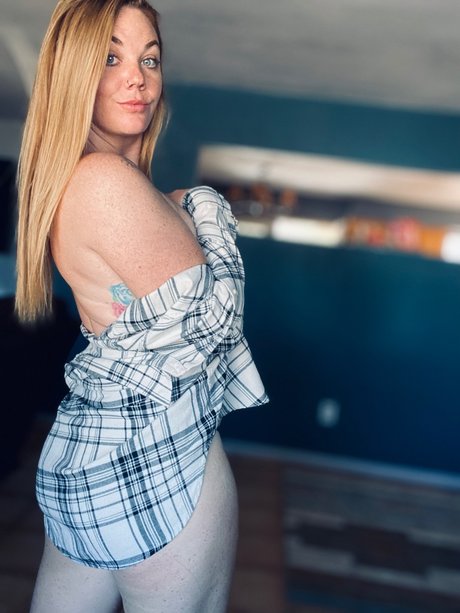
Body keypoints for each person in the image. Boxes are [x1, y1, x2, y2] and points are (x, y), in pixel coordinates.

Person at [15, 1, 268, 611]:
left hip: (90, 455)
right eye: (110, 57)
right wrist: (204, 205)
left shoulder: (80, 181)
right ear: (72, 71)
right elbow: (214, 322)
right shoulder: (104, 180)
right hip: (158, 457)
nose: (138, 77)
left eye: (149, 59)